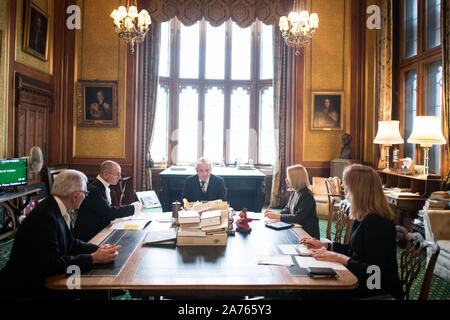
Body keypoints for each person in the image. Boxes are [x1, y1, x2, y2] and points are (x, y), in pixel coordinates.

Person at [0, 170, 121, 299]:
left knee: (99, 279)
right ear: (75, 196)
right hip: (29, 286)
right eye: (85, 193)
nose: (85, 197)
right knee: (96, 285)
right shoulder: (45, 217)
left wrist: (99, 250)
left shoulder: (54, 207)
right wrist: (93, 258)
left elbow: (71, 242)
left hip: (42, 275)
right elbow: (52, 264)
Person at [301, 164, 404, 299]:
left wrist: (338, 258)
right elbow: (354, 251)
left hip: (376, 289)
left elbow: (375, 271)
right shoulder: (363, 216)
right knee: (309, 285)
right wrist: (326, 246)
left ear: (359, 189)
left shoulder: (379, 222)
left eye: (346, 183)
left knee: (311, 291)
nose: (343, 187)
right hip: (362, 280)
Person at [74, 160, 143, 242]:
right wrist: (133, 208)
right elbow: (109, 212)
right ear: (106, 175)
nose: (120, 177)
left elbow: (106, 210)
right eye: (117, 174)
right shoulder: (94, 190)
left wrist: (132, 207)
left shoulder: (100, 186)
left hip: (99, 230)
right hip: (89, 237)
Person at [265, 164, 320, 239]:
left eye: (288, 177)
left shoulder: (307, 195)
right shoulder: (295, 191)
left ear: (295, 179)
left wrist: (279, 216)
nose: (286, 179)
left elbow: (298, 217)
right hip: (296, 227)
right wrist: (276, 213)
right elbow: (288, 209)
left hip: (307, 233)